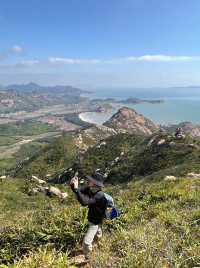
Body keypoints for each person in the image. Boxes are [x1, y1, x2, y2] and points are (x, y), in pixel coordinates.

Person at [70, 173, 107, 257]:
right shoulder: (90, 188)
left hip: (95, 221)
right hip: (95, 217)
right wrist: (73, 185)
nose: (88, 181)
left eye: (90, 180)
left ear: (95, 183)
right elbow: (79, 192)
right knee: (98, 233)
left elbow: (84, 202)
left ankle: (88, 256)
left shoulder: (99, 195)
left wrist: (76, 189)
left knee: (86, 242)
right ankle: (98, 243)